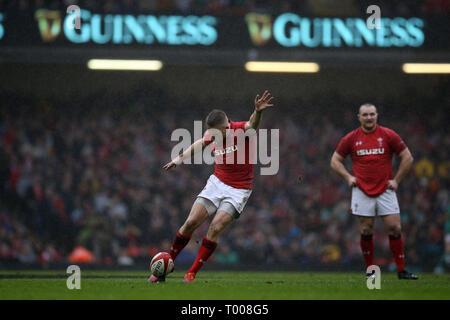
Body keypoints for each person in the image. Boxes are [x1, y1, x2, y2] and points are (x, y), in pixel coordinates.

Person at [149, 90, 274, 283]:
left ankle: (191, 273)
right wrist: (178, 159)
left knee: (215, 227)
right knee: (191, 223)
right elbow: (200, 143)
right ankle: (167, 265)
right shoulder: (212, 133)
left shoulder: (241, 130)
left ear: (226, 126)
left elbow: (252, 124)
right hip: (217, 183)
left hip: (239, 189)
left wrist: (258, 112)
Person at [330, 103, 418, 280]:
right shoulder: (351, 138)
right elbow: (335, 161)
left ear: (377, 116)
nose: (369, 118)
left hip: (386, 189)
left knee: (395, 228)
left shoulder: (388, 135)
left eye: (372, 114)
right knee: (366, 229)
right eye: (365, 115)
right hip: (361, 190)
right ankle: (370, 270)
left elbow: (407, 157)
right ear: (359, 117)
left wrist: (397, 180)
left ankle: (401, 270)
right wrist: (348, 178)